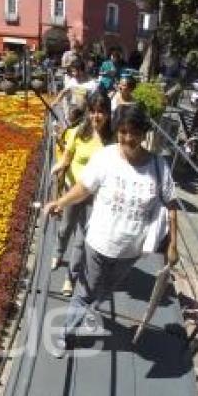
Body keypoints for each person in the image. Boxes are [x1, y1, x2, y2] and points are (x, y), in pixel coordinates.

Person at [43, 104, 179, 357]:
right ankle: (66, 334)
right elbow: (84, 188)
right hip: (98, 243)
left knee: (103, 292)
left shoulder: (159, 167)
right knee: (85, 292)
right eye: (123, 131)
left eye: (134, 132)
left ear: (144, 133)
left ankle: (87, 307)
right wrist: (59, 203)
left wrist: (172, 245)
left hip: (131, 251)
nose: (128, 138)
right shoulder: (105, 157)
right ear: (117, 131)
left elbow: (171, 205)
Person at [50, 91, 113, 296]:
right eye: (92, 111)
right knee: (65, 227)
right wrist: (58, 166)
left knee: (81, 239)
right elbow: (67, 158)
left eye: (101, 112)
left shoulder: (112, 140)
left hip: (95, 198)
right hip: (72, 190)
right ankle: (58, 253)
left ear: (108, 114)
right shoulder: (78, 132)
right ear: (87, 112)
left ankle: (71, 277)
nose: (96, 116)